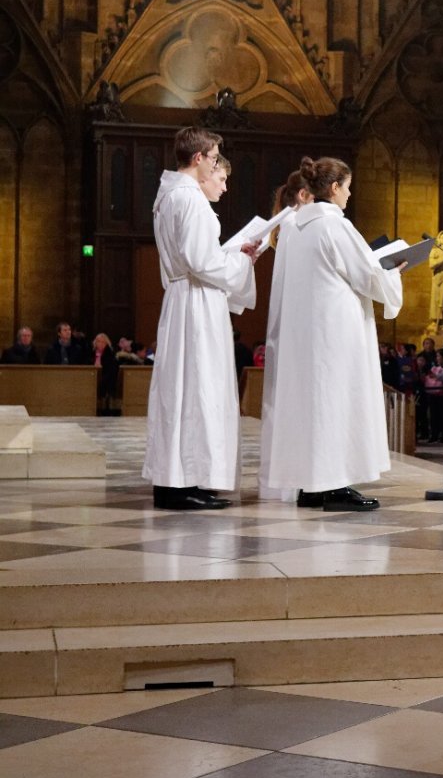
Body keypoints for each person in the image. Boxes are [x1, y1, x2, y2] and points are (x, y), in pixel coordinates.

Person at [259, 156, 403, 512]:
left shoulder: (293, 228)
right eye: (348, 188)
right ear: (335, 188)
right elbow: (368, 275)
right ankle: (335, 484)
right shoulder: (334, 226)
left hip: (304, 335)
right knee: (336, 404)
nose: (350, 195)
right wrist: (393, 270)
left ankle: (313, 485)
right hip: (336, 336)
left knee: (314, 407)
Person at [142, 128, 256, 511]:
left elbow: (196, 257)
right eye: (214, 155)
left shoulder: (169, 196)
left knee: (185, 389)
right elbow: (202, 262)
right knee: (196, 388)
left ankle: (184, 479)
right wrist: (242, 258)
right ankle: (180, 483)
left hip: (184, 297)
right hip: (195, 302)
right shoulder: (189, 200)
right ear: (199, 158)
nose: (215, 161)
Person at [257, 170, 311, 502]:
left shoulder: (286, 226)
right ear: (303, 196)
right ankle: (293, 480)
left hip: (288, 324)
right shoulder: (297, 226)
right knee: (294, 404)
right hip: (297, 326)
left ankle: (285, 481)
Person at [92, 333, 119, 413]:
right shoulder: (90, 352)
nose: (100, 344)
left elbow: (111, 370)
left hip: (105, 378)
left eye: (103, 342)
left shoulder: (110, 355)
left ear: (107, 343)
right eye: (98, 341)